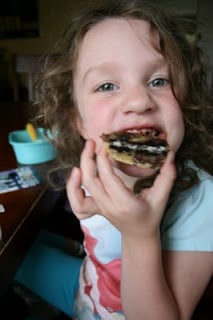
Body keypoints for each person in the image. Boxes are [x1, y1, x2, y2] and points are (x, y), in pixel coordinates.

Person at [14, 0, 213, 319]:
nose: (138, 100)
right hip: (84, 295)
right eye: (107, 85)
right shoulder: (94, 167)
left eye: (158, 80)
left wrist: (139, 234)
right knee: (17, 256)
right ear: (79, 122)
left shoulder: (203, 201)